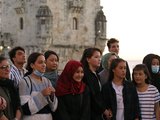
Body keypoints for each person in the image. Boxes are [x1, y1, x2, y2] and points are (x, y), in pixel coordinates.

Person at [19, 52, 58, 120]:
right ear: (32, 65)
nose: (44, 65)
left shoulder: (47, 81)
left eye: (44, 62)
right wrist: (42, 94)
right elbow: (25, 109)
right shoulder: (25, 82)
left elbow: (53, 108)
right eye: (40, 62)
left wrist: (52, 96)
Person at [80, 47, 110, 120]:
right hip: (90, 113)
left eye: (100, 57)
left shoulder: (96, 74)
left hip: (97, 113)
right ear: (88, 59)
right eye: (96, 57)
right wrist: (103, 110)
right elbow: (93, 96)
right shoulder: (86, 75)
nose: (99, 59)